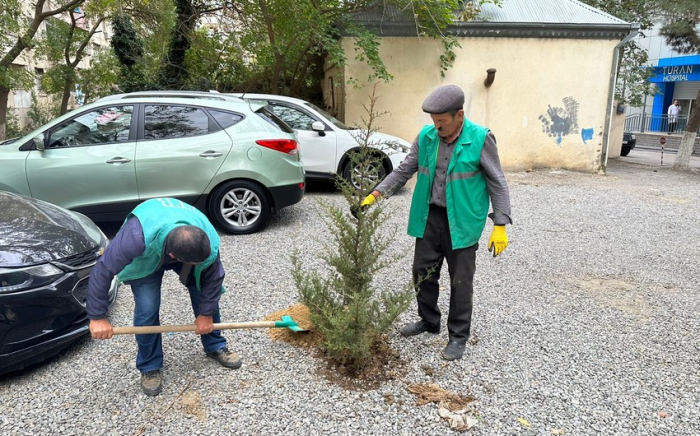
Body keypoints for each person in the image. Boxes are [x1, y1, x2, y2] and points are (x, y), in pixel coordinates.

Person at [354, 84, 512, 361]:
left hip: (463, 221)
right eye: (433, 121)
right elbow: (404, 170)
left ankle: (458, 336)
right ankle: (429, 321)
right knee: (422, 273)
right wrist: (374, 195)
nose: (436, 127)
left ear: (459, 115)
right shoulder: (427, 137)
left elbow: (497, 182)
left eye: (442, 122)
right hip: (430, 217)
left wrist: (500, 224)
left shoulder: (480, 138)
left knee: (460, 281)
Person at [86, 198, 241, 396]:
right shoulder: (134, 237)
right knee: (147, 308)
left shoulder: (206, 238)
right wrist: (97, 317)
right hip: (148, 251)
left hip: (179, 244)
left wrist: (206, 314)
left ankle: (215, 345)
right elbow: (103, 269)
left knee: (204, 290)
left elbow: (213, 277)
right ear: (173, 256)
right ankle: (149, 366)